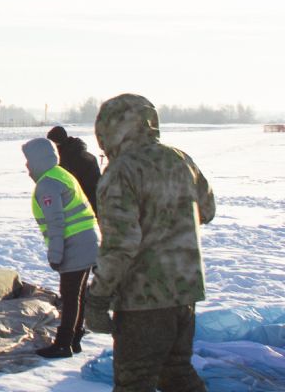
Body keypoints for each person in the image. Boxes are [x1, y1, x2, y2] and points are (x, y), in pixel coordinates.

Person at [85, 93, 216, 392]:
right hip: (184, 292)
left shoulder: (121, 172)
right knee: (177, 373)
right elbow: (206, 211)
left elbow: (120, 244)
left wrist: (98, 297)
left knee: (135, 382)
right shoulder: (180, 160)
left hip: (142, 301)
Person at [22, 137, 98, 359]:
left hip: (74, 245)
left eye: (28, 161)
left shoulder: (47, 184)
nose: (26, 166)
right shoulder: (62, 174)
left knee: (70, 295)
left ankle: (63, 343)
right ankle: (74, 338)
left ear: (37, 160)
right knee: (78, 295)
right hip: (87, 242)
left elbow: (56, 222)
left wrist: (55, 254)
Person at [47, 124, 101, 211]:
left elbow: (69, 181)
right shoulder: (75, 153)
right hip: (94, 198)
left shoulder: (69, 157)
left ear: (57, 142)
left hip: (85, 200)